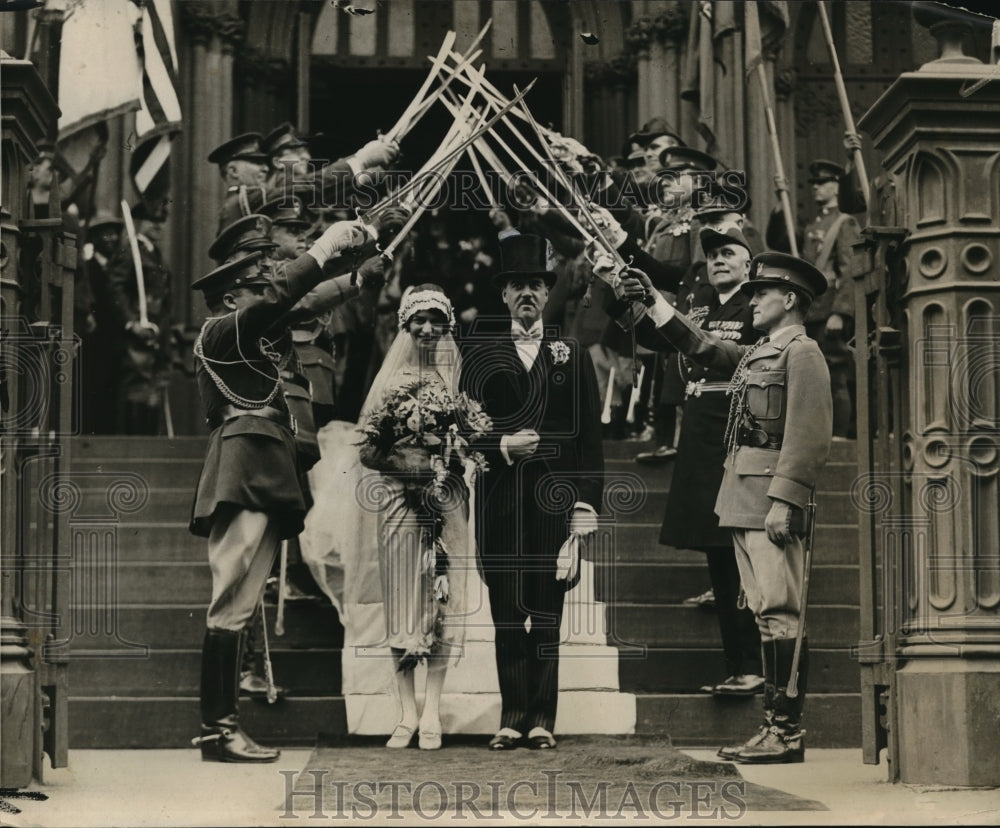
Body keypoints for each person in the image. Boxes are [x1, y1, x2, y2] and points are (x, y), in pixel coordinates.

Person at [622, 251, 833, 763]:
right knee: (765, 615)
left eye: (761, 292)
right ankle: (774, 729)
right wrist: (654, 301)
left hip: (769, 504)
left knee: (782, 615)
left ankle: (786, 733)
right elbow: (705, 346)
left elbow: (809, 436)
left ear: (789, 300)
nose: (752, 299)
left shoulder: (801, 352)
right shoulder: (763, 351)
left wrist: (785, 501)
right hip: (741, 501)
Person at [188, 216, 381, 762]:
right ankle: (216, 729)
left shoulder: (253, 332)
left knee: (241, 602)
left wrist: (357, 267)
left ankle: (221, 728)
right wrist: (323, 248)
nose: (269, 293)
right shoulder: (223, 330)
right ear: (233, 297)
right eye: (258, 286)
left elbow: (296, 302)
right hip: (244, 460)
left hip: (266, 461)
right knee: (230, 599)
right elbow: (283, 297)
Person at [461, 234, 605, 751]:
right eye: (518, 285)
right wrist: (501, 443)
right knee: (506, 611)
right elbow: (461, 430)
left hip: (555, 503)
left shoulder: (572, 353)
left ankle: (542, 718)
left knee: (546, 612)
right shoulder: (479, 351)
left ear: (547, 294)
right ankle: (511, 714)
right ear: (504, 295)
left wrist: (585, 506)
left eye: (536, 286)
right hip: (499, 499)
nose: (527, 294)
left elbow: (590, 438)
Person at [353, 285, 473, 751]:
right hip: (401, 502)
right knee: (404, 602)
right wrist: (408, 467)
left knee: (445, 599)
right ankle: (405, 712)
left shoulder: (455, 378)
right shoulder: (390, 379)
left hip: (446, 500)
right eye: (417, 321)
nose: (427, 329)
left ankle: (433, 711)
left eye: (435, 320)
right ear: (405, 326)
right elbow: (367, 449)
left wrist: (456, 458)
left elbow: (471, 436)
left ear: (447, 326)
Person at [106, 200, 174, 435]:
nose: (158, 226)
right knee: (136, 388)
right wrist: (131, 322)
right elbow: (115, 289)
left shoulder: (155, 254)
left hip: (157, 331)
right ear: (140, 221)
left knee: (153, 391)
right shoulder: (131, 252)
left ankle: (147, 445)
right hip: (137, 333)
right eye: (153, 220)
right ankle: (131, 448)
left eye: (162, 221)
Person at [208, 133, 270, 231]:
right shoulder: (240, 201)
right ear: (233, 171)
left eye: (265, 163)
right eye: (256, 162)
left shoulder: (237, 200)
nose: (266, 169)